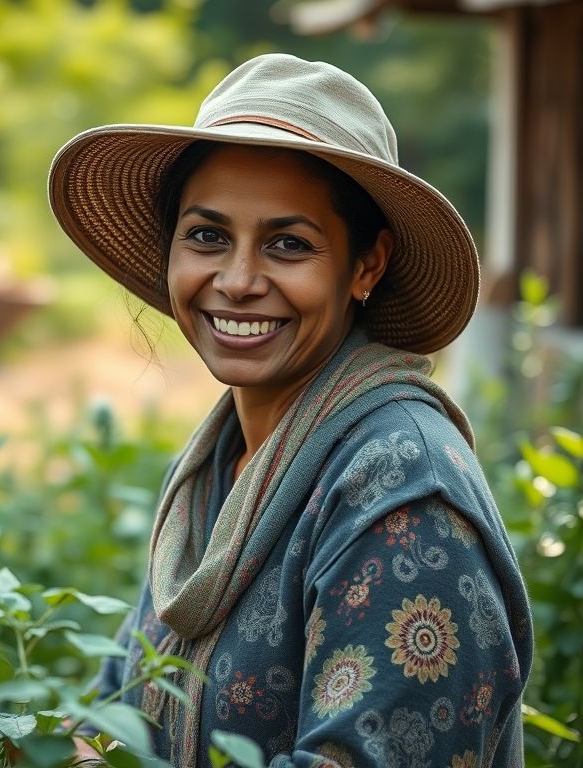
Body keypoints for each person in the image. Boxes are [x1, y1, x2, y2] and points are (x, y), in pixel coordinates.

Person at [48, 53, 533, 768]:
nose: (238, 281)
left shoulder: (400, 486)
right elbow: (117, 707)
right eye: (207, 236)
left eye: (288, 244)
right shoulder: (213, 472)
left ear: (365, 266)